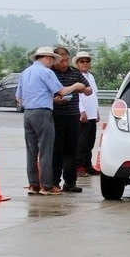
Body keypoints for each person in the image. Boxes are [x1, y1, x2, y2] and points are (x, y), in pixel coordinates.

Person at [15, 46, 87, 196]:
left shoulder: (26, 72)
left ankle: (33, 185)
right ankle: (47, 186)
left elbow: (18, 98)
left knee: (31, 151)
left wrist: (31, 103)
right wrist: (75, 86)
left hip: (28, 113)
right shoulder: (46, 72)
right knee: (46, 151)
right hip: (43, 112)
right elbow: (62, 91)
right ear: (47, 58)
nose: (52, 63)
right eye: (52, 60)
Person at [52, 47, 92, 193]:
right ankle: (54, 182)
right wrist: (55, 99)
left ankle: (70, 182)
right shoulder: (50, 73)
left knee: (71, 150)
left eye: (67, 60)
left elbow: (89, 90)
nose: (65, 64)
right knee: (56, 150)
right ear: (55, 60)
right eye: (62, 61)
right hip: (56, 116)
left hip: (72, 116)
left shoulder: (74, 72)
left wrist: (83, 89)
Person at [74, 52, 100, 177]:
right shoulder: (76, 77)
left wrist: (97, 111)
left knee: (90, 142)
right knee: (81, 142)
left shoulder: (91, 77)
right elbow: (77, 96)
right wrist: (81, 111)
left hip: (92, 114)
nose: (85, 63)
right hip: (83, 115)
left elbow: (94, 95)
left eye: (87, 61)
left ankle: (88, 165)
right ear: (77, 63)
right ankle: (78, 166)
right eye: (82, 61)